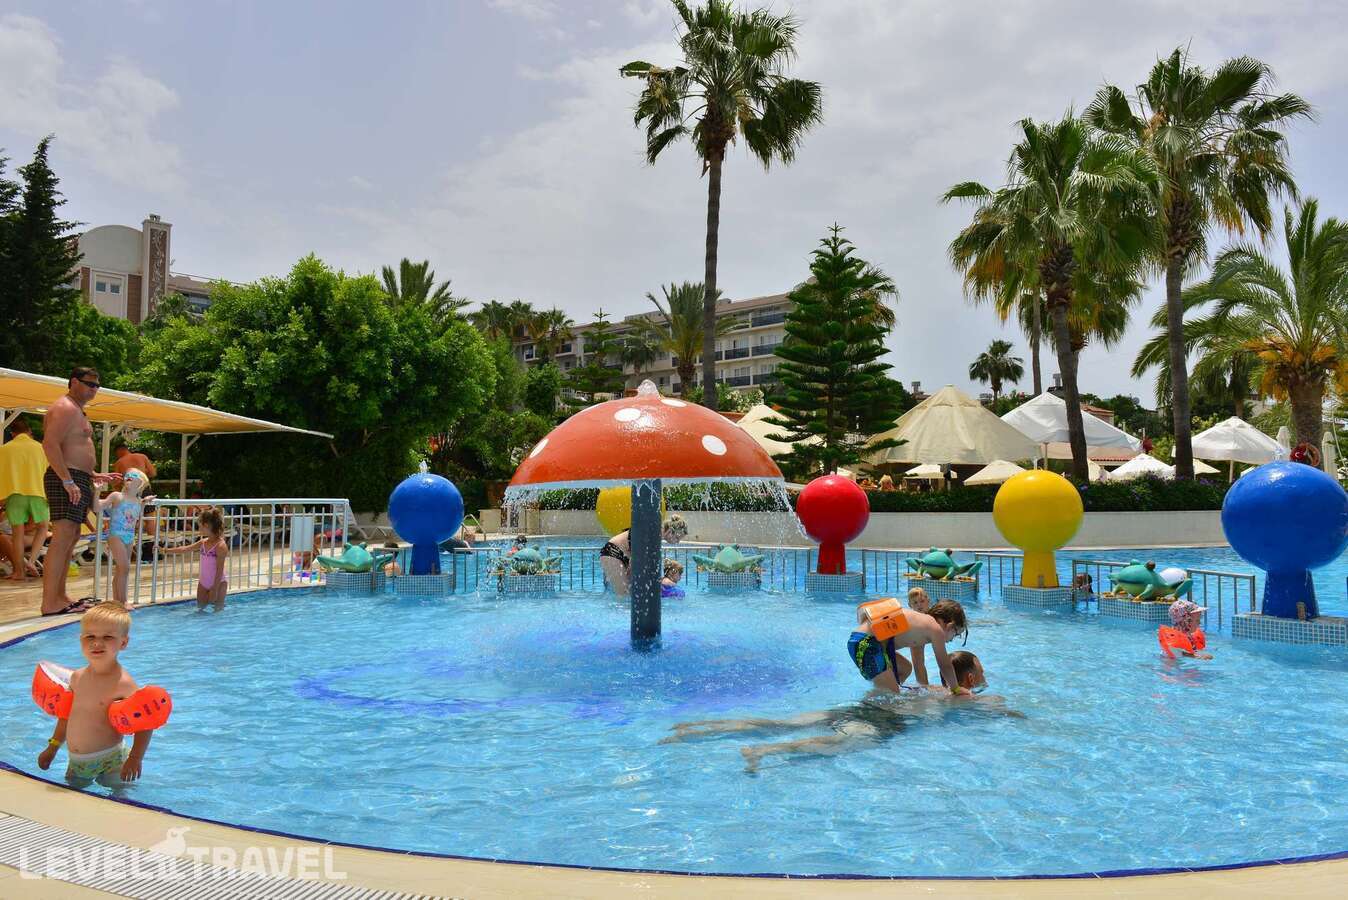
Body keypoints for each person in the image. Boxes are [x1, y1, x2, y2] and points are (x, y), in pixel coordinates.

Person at [663, 651, 1020, 772]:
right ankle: (763, 751)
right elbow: (998, 709)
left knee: (780, 722)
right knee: (835, 745)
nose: (984, 676)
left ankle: (696, 728)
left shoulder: (922, 686)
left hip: (865, 706)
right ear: (970, 678)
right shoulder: (963, 697)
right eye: (982, 671)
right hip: (884, 723)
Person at [36, 602, 154, 788]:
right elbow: (66, 716)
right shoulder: (77, 677)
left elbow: (145, 724)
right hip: (77, 762)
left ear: (123, 643)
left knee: (117, 799)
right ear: (81, 639)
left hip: (111, 761)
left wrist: (135, 758)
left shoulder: (123, 683)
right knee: (73, 798)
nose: (97, 643)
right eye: (90, 636)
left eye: (107, 637)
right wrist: (53, 747)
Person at [41, 367, 111, 616]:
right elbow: (50, 444)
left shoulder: (77, 410)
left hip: (77, 477)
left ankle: (60, 597)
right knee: (62, 537)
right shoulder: (65, 407)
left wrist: (91, 473)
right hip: (65, 478)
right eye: (90, 384)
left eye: (97, 386)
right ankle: (50, 602)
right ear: (73, 382)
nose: (94, 389)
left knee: (71, 537)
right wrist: (67, 480)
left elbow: (74, 447)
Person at [849, 598, 968, 692]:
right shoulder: (936, 630)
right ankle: (874, 702)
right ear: (949, 625)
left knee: (905, 668)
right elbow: (944, 664)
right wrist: (956, 689)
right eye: (956, 633)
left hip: (861, 641)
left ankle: (884, 689)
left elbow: (918, 664)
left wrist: (925, 688)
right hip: (867, 644)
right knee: (891, 695)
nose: (953, 639)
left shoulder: (922, 627)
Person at [0, 416, 53, 581]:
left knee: (17, 534)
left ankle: (19, 572)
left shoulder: (4, 449)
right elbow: (51, 472)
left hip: (14, 494)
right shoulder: (41, 448)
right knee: (43, 527)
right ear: (29, 432)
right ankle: (31, 561)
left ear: (12, 434)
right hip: (38, 493)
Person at [92, 469, 154, 607]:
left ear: (141, 482)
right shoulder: (117, 496)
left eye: (133, 476)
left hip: (130, 536)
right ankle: (123, 601)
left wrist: (145, 501)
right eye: (127, 476)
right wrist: (97, 491)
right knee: (124, 567)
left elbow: (137, 511)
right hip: (116, 535)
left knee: (122, 569)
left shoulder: (138, 501)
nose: (129, 477)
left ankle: (117, 600)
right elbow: (97, 508)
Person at [599, 514, 688, 596]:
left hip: (624, 555)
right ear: (670, 531)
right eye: (677, 538)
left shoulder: (656, 535)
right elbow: (636, 558)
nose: (677, 542)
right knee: (624, 595)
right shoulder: (654, 533)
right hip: (613, 552)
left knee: (628, 593)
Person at [162, 507, 229, 610]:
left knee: (218, 610)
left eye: (200, 526)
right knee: (200, 609)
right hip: (203, 583)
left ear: (206, 526)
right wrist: (165, 550)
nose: (199, 529)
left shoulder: (220, 546)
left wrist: (215, 589)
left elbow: (219, 570)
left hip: (219, 583)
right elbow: (184, 549)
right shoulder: (203, 542)